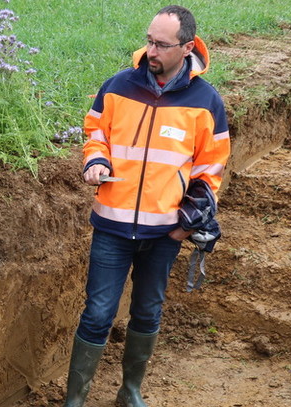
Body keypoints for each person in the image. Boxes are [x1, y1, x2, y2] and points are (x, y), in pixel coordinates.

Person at [65, 5, 230, 407]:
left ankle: (130, 391)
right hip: (112, 227)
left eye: (161, 44)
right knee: (98, 314)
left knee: (147, 312)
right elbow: (95, 134)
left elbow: (210, 173)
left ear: (187, 47)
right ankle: (75, 401)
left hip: (165, 234)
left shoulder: (206, 102)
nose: (150, 51)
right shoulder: (118, 86)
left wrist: (185, 226)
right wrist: (96, 160)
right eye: (149, 40)